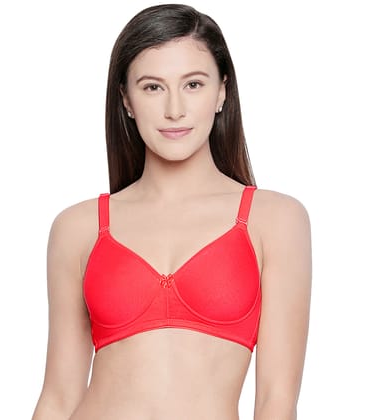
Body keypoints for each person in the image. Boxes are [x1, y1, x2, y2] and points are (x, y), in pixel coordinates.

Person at [32, 4, 312, 420]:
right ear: (126, 100)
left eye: (193, 84)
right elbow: (58, 397)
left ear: (222, 92)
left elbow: (276, 401)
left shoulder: (274, 220)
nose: (174, 109)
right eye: (152, 87)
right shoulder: (78, 227)